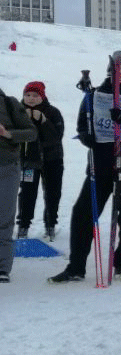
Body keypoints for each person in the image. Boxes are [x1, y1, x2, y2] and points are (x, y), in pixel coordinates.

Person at [49, 51, 121, 284]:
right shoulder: (94, 95)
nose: (120, 74)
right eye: (116, 70)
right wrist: (87, 136)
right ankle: (76, 266)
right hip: (100, 164)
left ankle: (120, 262)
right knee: (82, 212)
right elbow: (83, 123)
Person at [16, 81, 64, 241]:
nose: (31, 99)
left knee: (52, 193)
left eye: (35, 96)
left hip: (52, 160)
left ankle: (50, 225)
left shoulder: (52, 112)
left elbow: (56, 137)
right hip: (28, 161)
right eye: (27, 95)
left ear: (42, 97)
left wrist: (43, 121)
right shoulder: (17, 112)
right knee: (27, 194)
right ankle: (23, 226)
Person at [0, 86, 38, 283]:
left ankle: (2, 267)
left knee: (4, 218)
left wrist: (8, 134)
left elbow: (31, 133)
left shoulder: (9, 103)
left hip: (6, 167)